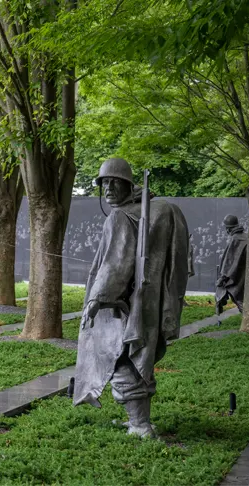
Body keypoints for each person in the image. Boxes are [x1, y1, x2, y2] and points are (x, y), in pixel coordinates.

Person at [73, 158, 190, 438]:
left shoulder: (120, 216)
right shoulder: (164, 210)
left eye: (115, 182)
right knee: (141, 359)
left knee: (119, 359)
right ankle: (141, 420)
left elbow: (116, 264)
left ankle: (140, 425)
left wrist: (96, 299)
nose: (109, 188)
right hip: (152, 302)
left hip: (124, 305)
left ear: (129, 184)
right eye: (104, 183)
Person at [215, 215, 247, 313]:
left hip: (238, 274)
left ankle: (247, 316)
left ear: (228, 229)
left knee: (236, 295)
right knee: (238, 296)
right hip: (244, 272)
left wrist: (223, 277)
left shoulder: (236, 239)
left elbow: (230, 260)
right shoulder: (245, 236)